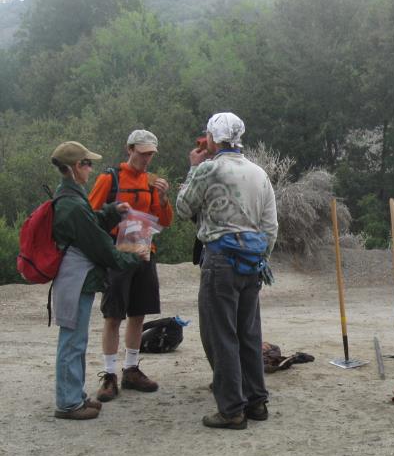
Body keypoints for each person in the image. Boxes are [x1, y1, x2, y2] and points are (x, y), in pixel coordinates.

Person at [176, 112, 278, 429]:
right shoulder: (259, 173)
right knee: (248, 334)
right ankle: (256, 401)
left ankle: (232, 409)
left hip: (220, 259)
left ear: (212, 138)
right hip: (252, 261)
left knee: (222, 335)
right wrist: (260, 258)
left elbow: (183, 208)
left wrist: (193, 167)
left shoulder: (208, 169)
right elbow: (270, 226)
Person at [49, 141, 148, 420]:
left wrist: (112, 211)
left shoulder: (71, 197)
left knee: (75, 339)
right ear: (73, 168)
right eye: (86, 163)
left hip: (74, 278)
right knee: (72, 342)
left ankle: (75, 397)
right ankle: (68, 404)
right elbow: (101, 248)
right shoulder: (72, 205)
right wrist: (133, 257)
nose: (90, 168)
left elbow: (92, 223)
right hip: (75, 279)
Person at [87, 130, 173, 401]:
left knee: (138, 314)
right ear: (130, 149)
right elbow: (90, 216)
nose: (147, 158)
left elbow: (164, 221)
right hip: (117, 256)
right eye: (143, 152)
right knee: (113, 316)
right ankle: (110, 375)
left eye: (151, 154)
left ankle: (131, 370)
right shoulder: (109, 178)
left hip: (145, 254)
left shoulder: (152, 182)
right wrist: (114, 213)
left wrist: (163, 199)